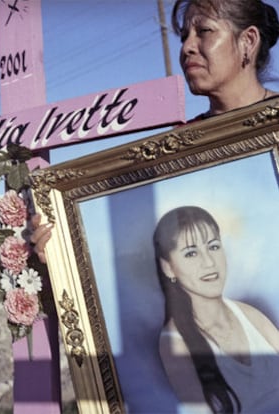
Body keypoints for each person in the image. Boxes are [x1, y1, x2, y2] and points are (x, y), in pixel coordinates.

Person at [31, 0, 279, 255]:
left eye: (204, 31)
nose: (186, 48)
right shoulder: (177, 146)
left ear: (248, 41)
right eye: (184, 37)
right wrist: (62, 245)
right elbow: (140, 237)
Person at [153, 205, 279, 414]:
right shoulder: (174, 343)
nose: (209, 262)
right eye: (191, 253)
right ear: (168, 267)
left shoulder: (249, 314)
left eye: (213, 246)